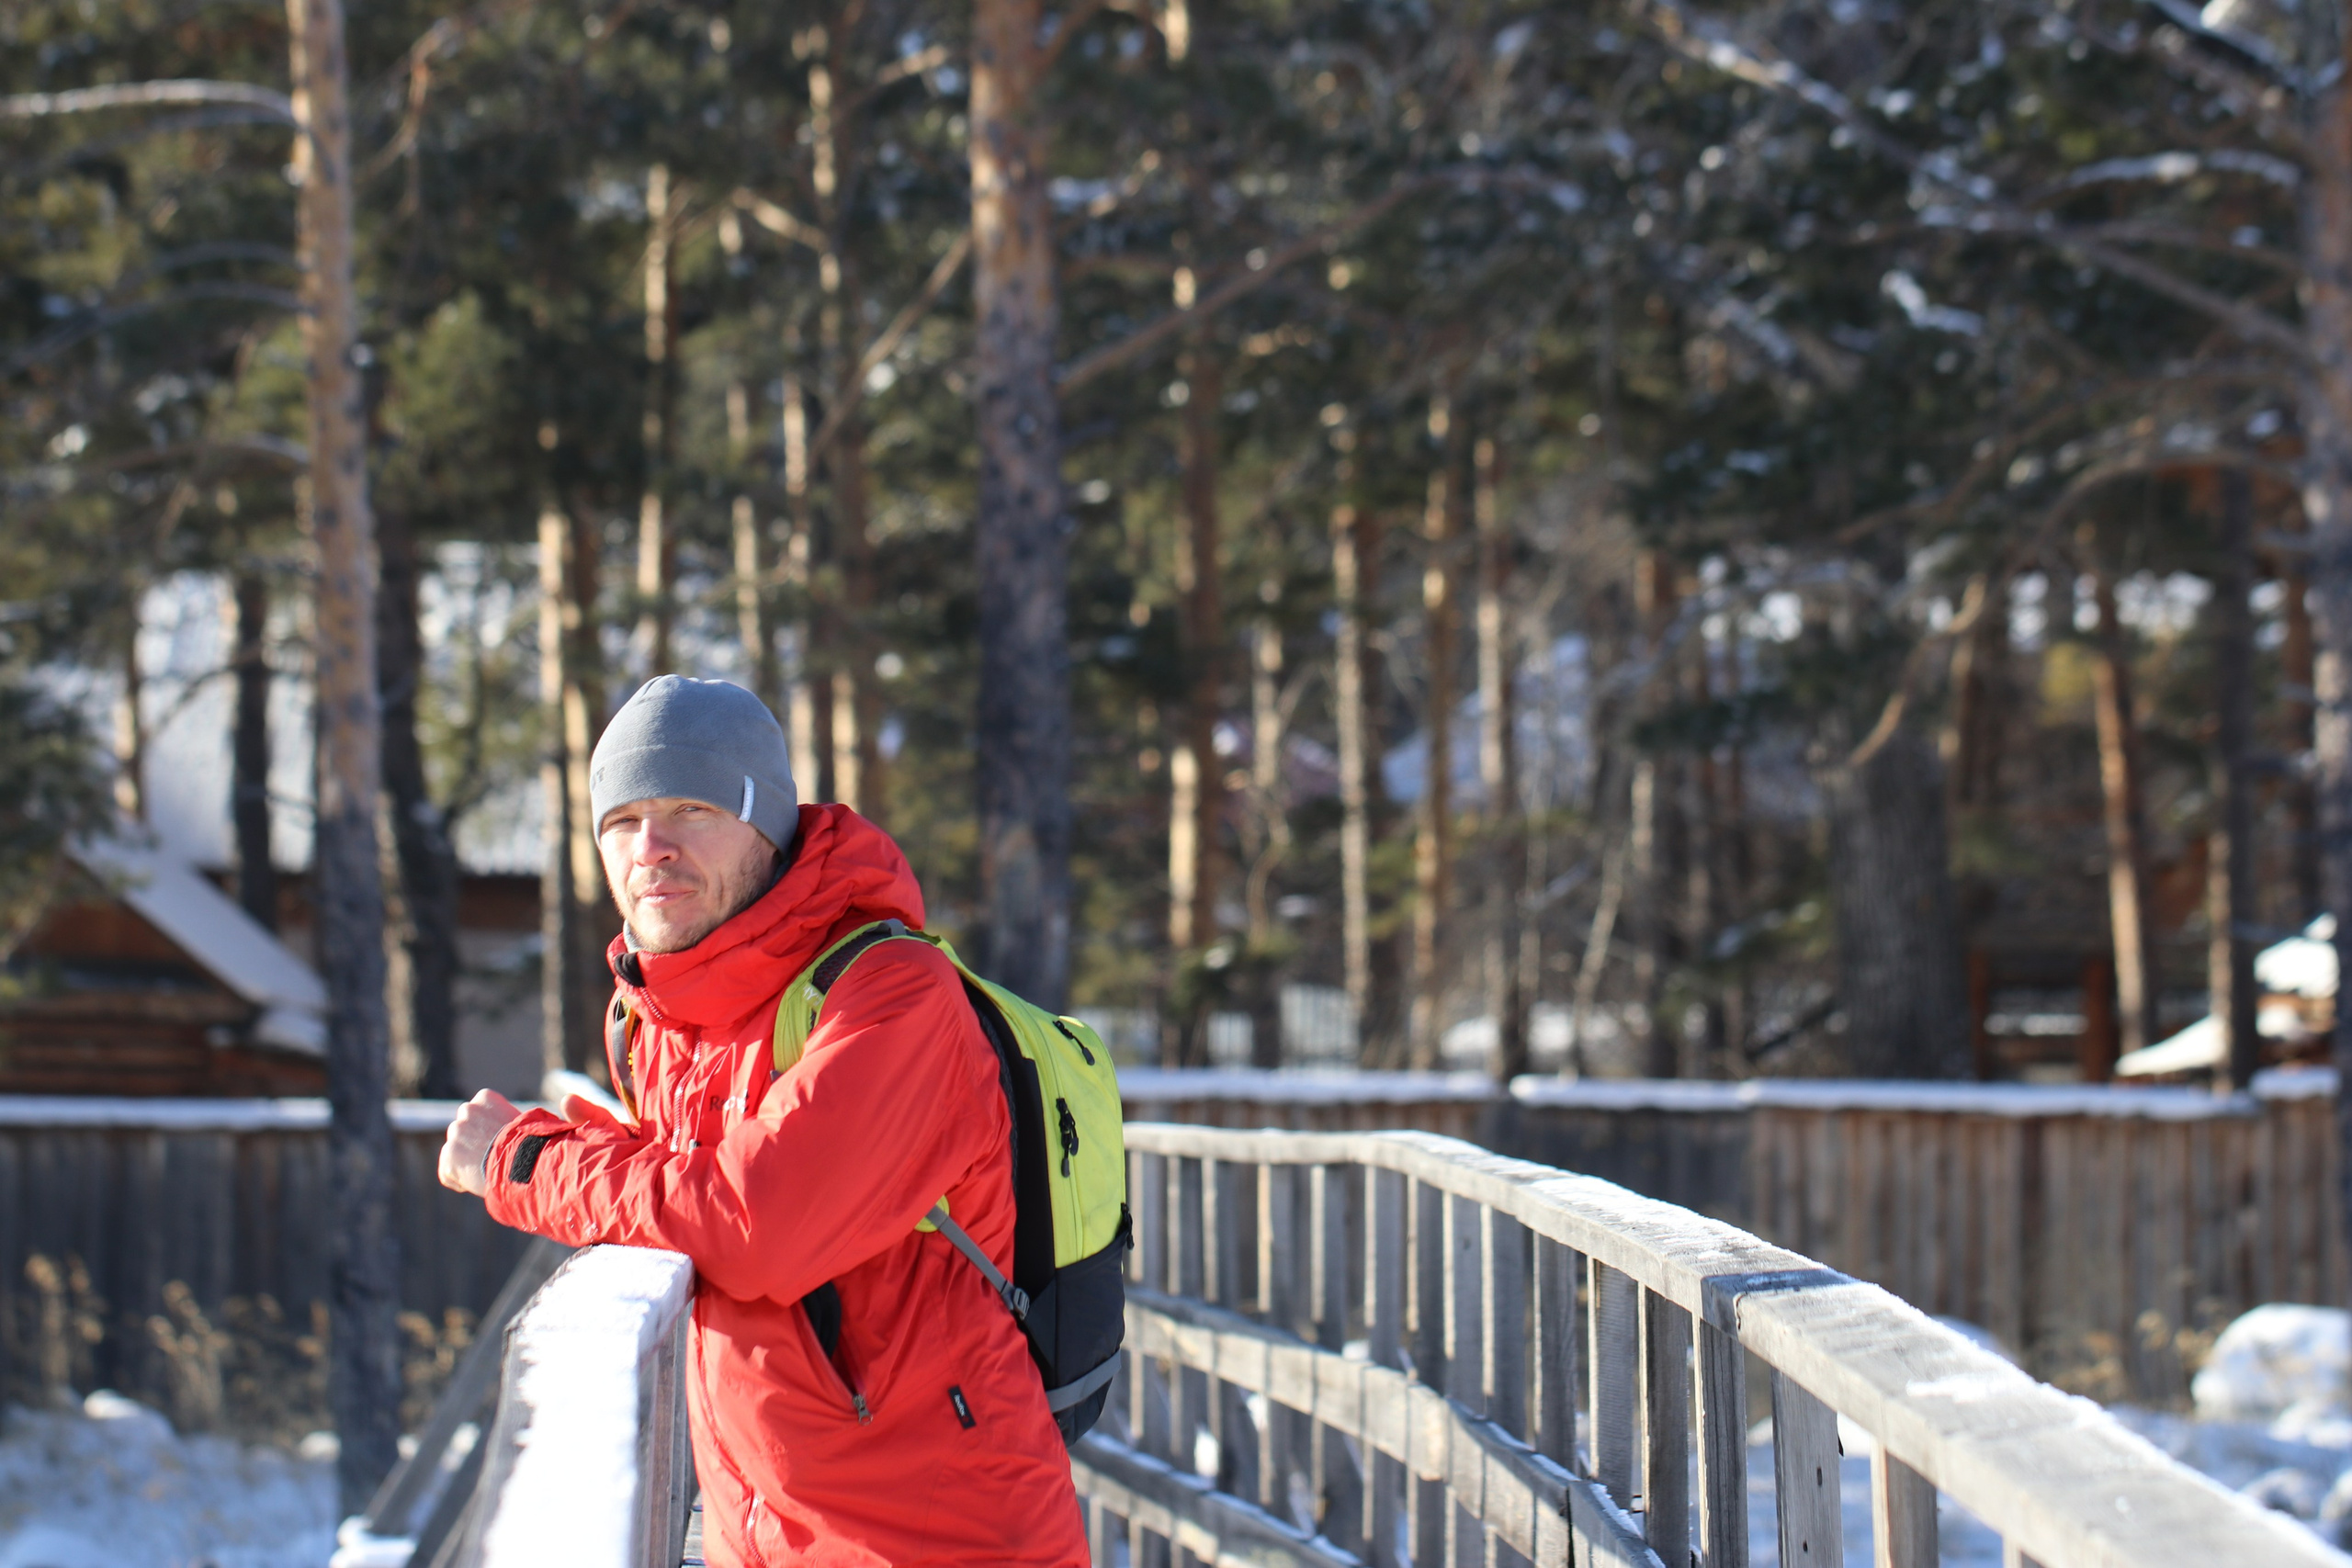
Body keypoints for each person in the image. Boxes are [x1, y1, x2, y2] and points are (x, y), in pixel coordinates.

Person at [437, 675, 1087, 1568]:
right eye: (620, 822)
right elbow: (683, 1186)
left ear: (767, 826)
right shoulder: (656, 1018)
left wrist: (526, 1163)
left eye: (691, 808)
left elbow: (753, 1223)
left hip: (943, 1539)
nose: (650, 848)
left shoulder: (892, 995)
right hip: (767, 1531)